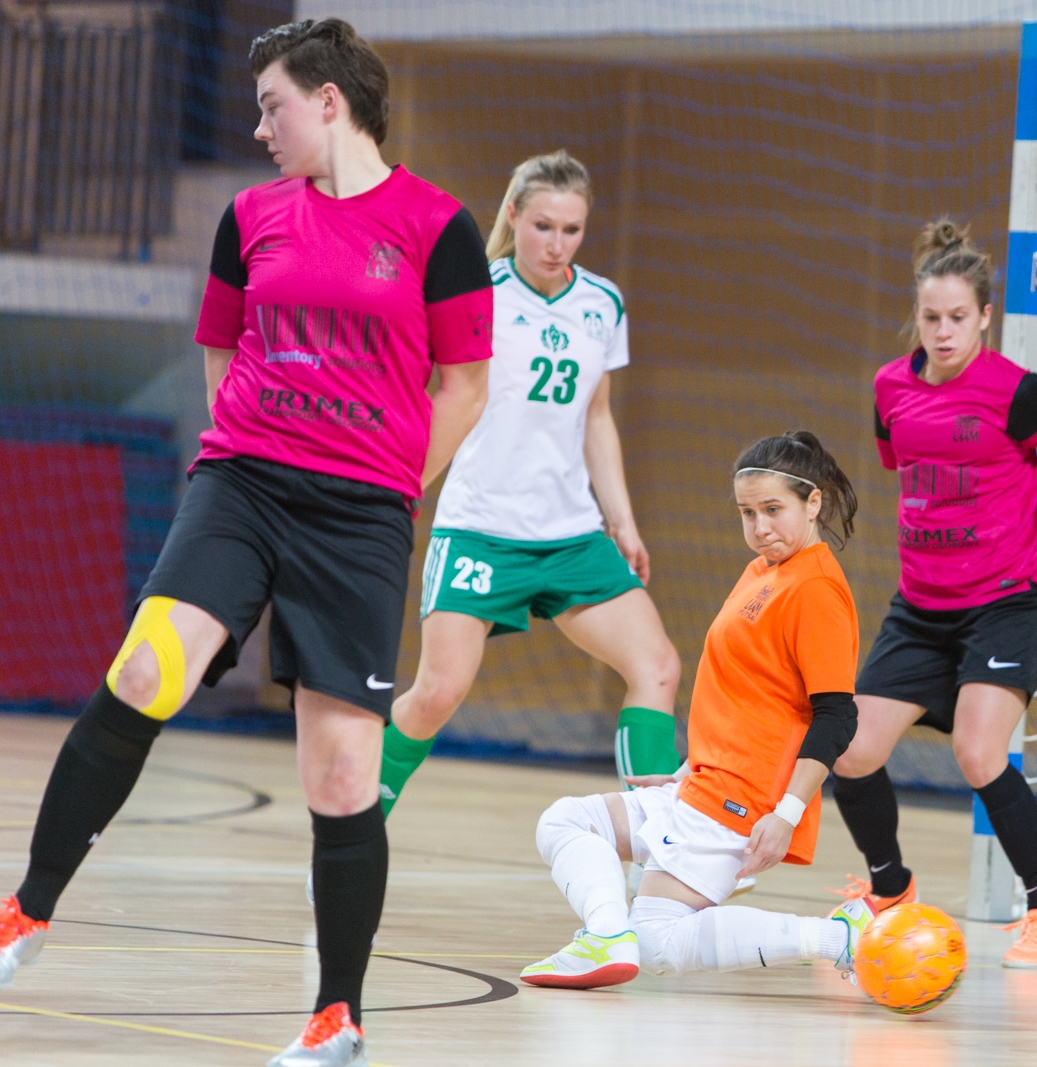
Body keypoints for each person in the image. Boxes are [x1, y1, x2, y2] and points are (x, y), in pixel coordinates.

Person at [0, 19, 493, 1067]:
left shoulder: (439, 228)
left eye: (273, 104)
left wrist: (396, 482)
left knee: (341, 771)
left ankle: (336, 1015)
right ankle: (26, 911)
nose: (259, 125)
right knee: (142, 668)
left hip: (359, 514)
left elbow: (465, 387)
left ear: (329, 100)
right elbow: (222, 342)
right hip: (241, 487)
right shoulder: (249, 216)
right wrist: (245, 444)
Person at [375, 150, 682, 820]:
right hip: (480, 529)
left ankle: (655, 849)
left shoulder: (602, 302)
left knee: (657, 666)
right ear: (513, 216)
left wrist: (621, 521)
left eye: (572, 229)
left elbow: (596, 418)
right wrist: (403, 486)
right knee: (436, 693)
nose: (557, 243)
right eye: (544, 226)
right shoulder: (475, 292)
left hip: (571, 533)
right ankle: (353, 822)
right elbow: (434, 396)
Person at [518, 433, 873, 989]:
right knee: (565, 820)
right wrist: (689, 769)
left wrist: (786, 814)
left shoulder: (818, 588)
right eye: (747, 513)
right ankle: (608, 934)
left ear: (814, 502)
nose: (760, 527)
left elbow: (836, 717)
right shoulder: (763, 570)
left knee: (657, 939)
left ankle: (835, 938)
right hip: (705, 783)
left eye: (773, 510)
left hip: (745, 798)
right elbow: (750, 695)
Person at [829, 218, 1037, 969]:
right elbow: (899, 465)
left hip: (1005, 603)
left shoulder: (1018, 393)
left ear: (984, 316)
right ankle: (889, 887)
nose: (942, 332)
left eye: (957, 318)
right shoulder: (890, 388)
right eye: (930, 318)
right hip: (920, 609)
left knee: (979, 755)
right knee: (851, 748)